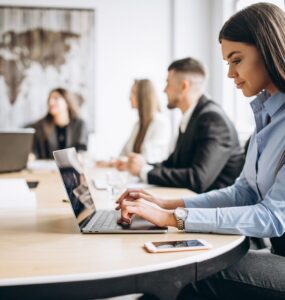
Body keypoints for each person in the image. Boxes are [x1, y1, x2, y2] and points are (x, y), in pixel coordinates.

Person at [117, 3, 285, 299]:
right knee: (173, 267)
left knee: (183, 272)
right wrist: (164, 204)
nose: (231, 73)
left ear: (268, 49)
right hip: (275, 253)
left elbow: (272, 217)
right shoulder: (265, 117)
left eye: (237, 60)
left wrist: (173, 218)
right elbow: (242, 192)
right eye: (227, 63)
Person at [126, 58, 244, 193]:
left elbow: (198, 179)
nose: (164, 90)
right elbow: (173, 164)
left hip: (216, 208)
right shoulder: (193, 116)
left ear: (184, 87)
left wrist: (144, 171)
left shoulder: (213, 120)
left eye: (168, 83)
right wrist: (143, 165)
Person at [98, 79, 171, 168]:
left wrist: (118, 162)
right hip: (133, 178)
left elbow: (149, 159)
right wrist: (111, 162)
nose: (129, 98)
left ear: (143, 97)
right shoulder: (138, 124)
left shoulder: (160, 123)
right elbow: (124, 153)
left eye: (133, 93)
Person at [30, 87, 88, 159]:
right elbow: (35, 151)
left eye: (56, 98)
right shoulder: (40, 126)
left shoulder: (79, 124)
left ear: (67, 101)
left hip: (71, 167)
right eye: (49, 99)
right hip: (45, 168)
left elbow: (82, 149)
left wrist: (79, 157)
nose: (51, 102)